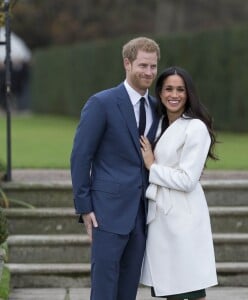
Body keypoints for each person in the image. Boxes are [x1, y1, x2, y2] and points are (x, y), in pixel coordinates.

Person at [70, 37, 160, 300]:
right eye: (143, 65)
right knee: (104, 289)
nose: (149, 72)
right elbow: (80, 156)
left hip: (143, 215)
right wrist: (84, 206)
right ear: (127, 63)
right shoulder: (102, 103)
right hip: (107, 213)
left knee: (128, 290)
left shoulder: (157, 107)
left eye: (153, 67)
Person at [140, 66, 218, 300]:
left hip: (183, 216)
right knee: (169, 287)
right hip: (161, 215)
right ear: (160, 93)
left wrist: (152, 167)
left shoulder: (195, 127)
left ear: (189, 93)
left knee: (189, 287)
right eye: (168, 89)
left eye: (180, 90)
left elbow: (187, 180)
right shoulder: (159, 124)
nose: (174, 95)